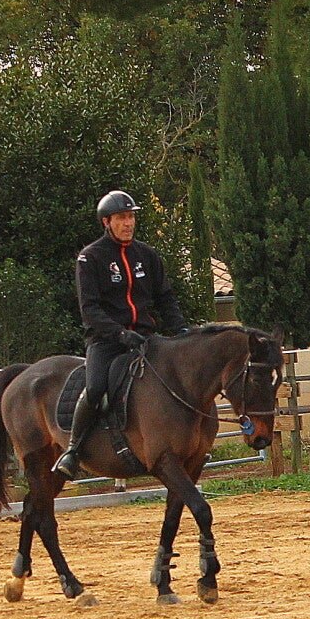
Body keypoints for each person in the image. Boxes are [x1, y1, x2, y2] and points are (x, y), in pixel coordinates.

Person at [52, 190, 189, 479]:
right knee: (95, 388)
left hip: (145, 338)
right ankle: (73, 450)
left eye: (131, 217)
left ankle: (184, 445)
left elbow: (165, 298)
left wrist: (181, 330)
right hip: (106, 341)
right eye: (121, 218)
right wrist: (118, 333)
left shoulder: (147, 255)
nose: (128, 223)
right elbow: (89, 308)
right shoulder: (90, 258)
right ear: (107, 222)